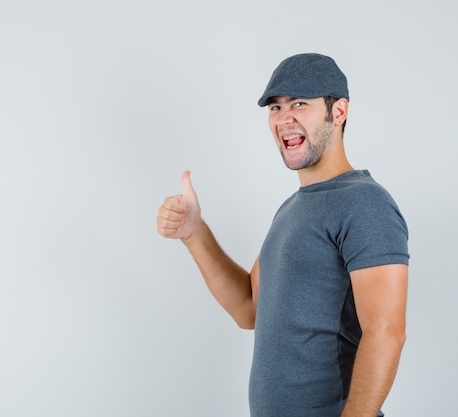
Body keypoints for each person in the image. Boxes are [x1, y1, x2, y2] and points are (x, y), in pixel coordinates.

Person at [156, 53, 409, 417]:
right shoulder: (292, 209)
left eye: (300, 104)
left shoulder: (364, 203)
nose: (284, 118)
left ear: (338, 112)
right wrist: (193, 231)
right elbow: (249, 309)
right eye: (275, 107)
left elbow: (386, 332)